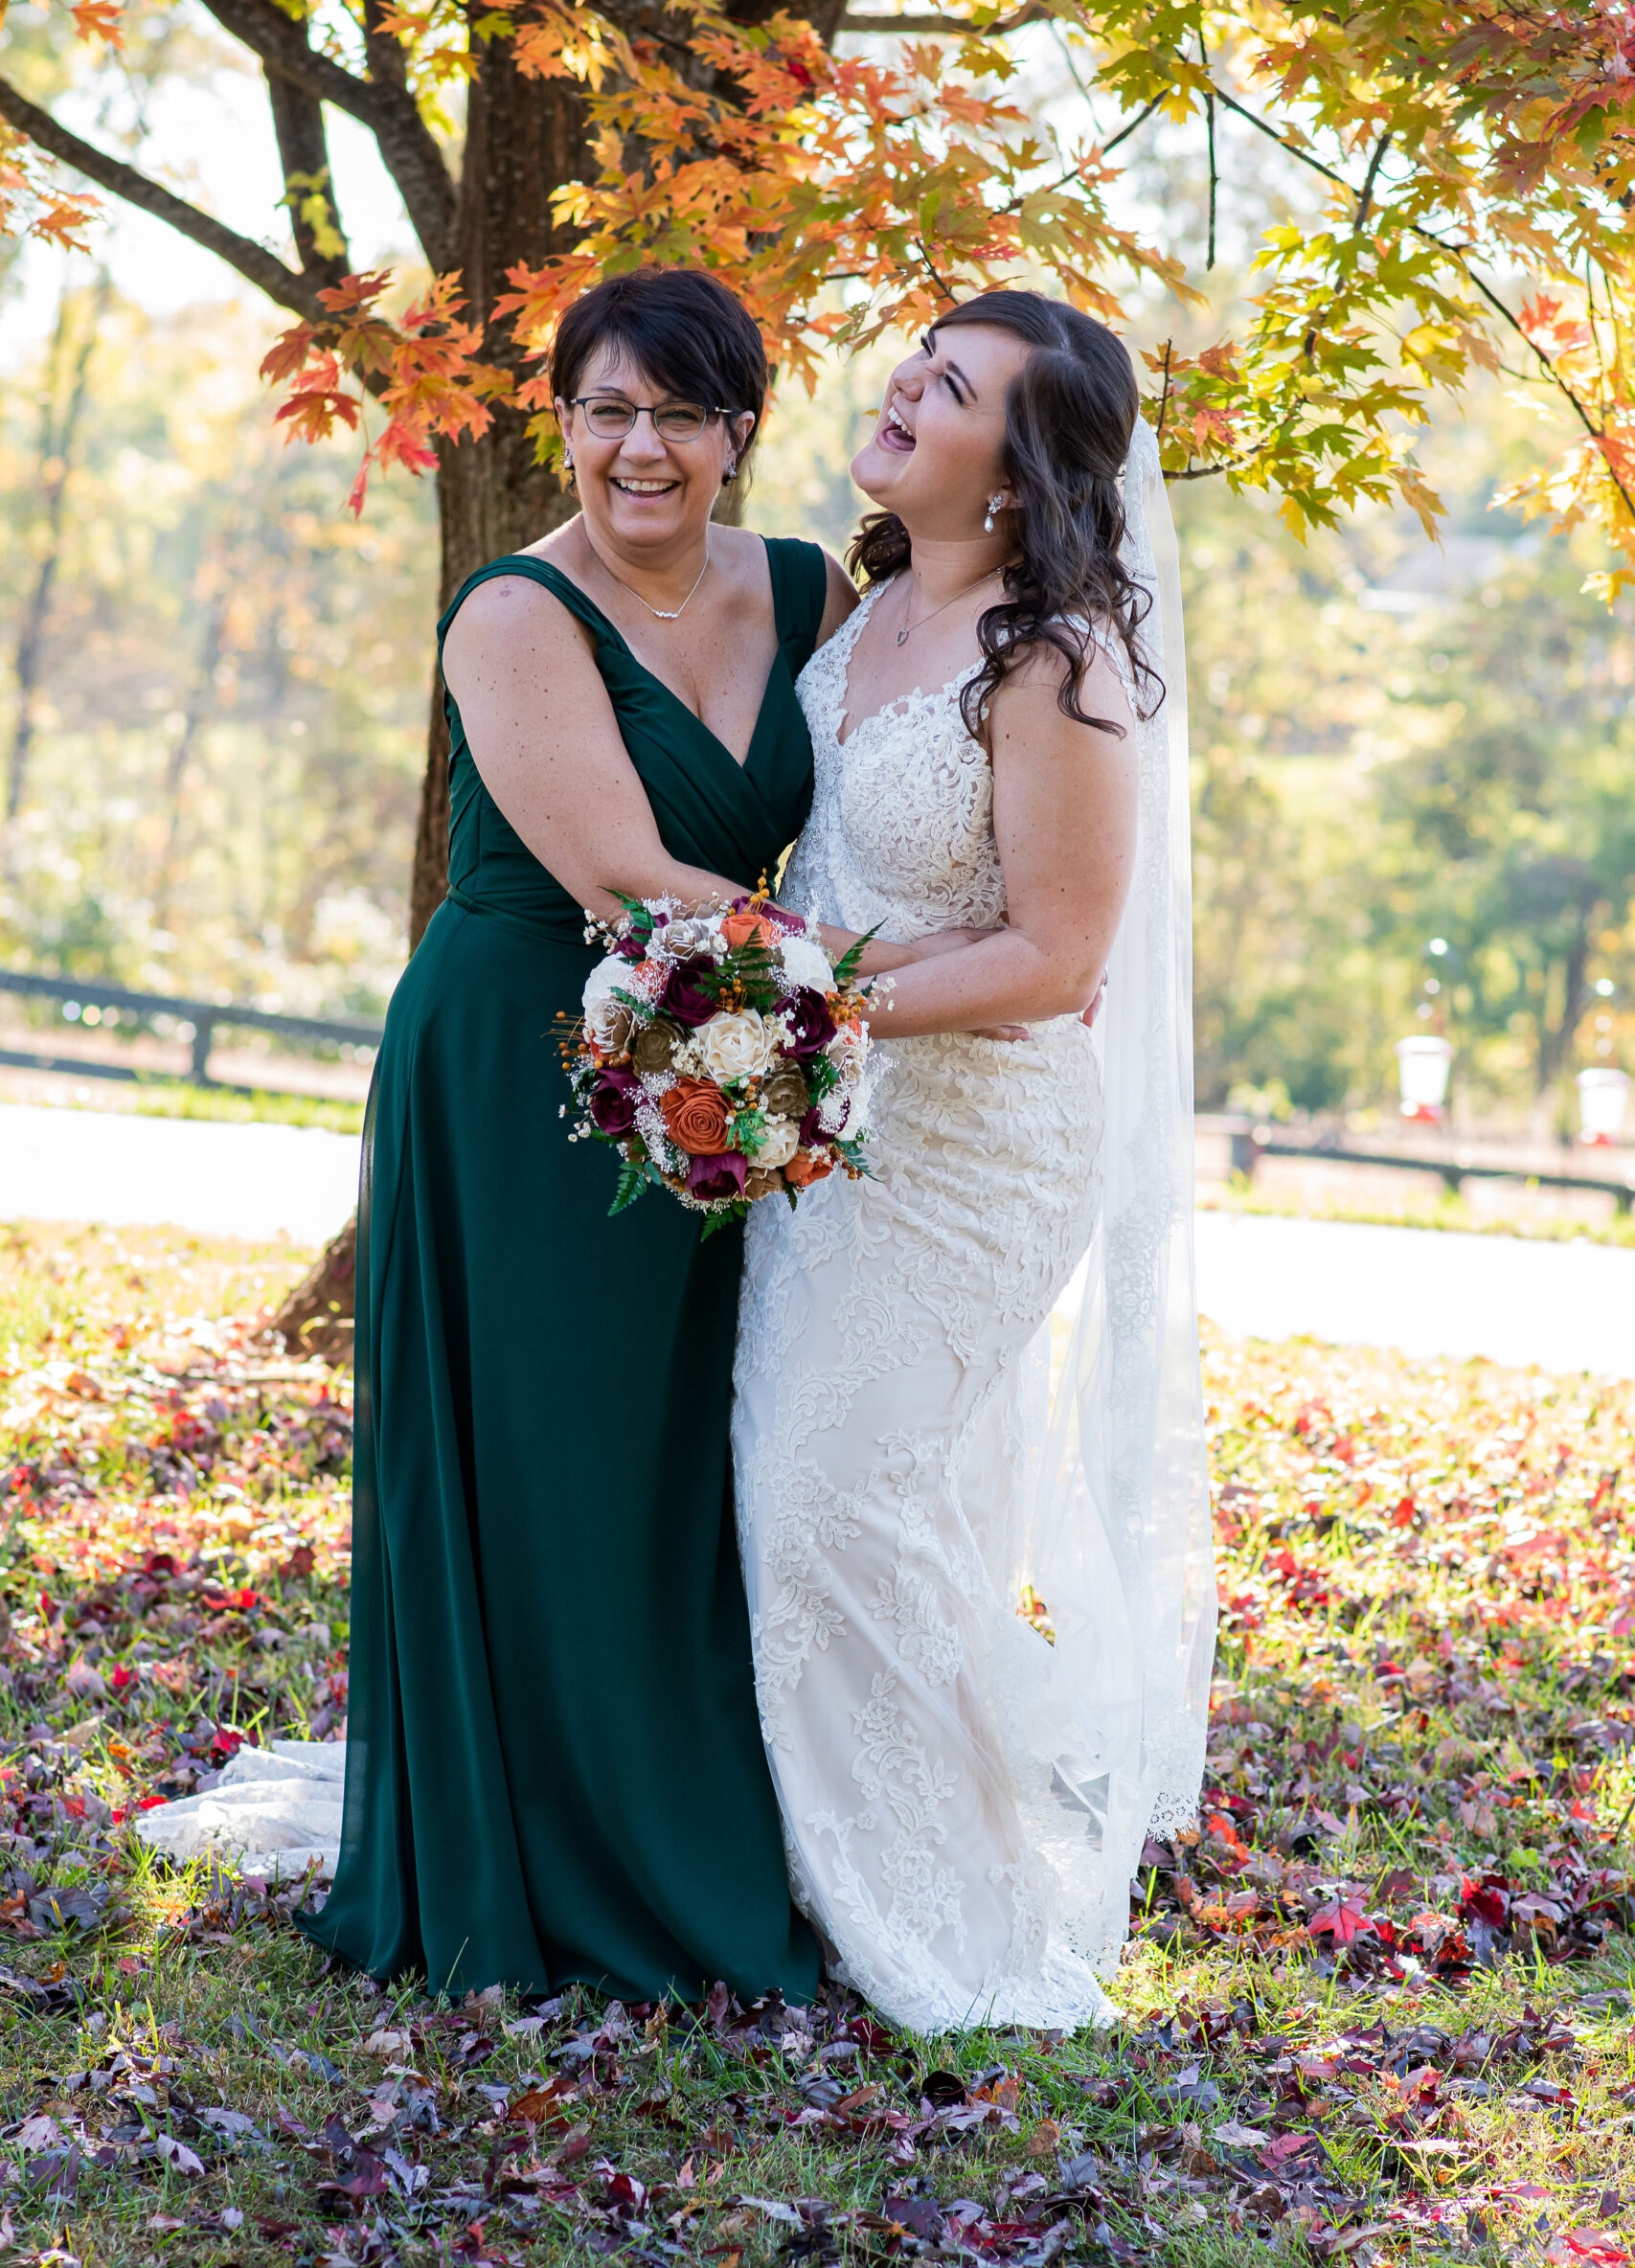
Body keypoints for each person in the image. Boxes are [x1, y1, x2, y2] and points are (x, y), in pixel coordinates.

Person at [296, 267, 859, 2003]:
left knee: (673, 1446)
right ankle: (539, 1856)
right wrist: (883, 978)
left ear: (740, 431)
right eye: (606, 410)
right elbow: (625, 878)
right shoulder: (514, 612)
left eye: (681, 413)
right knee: (546, 1446)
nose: (641, 449)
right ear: (561, 425)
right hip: (523, 1058)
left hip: (725, 1049)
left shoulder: (810, 592)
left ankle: (683, 1811)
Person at [732, 290, 1216, 2032]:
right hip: (822, 1124)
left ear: (1015, 473)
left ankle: (950, 1918)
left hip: (975, 1151)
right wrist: (772, 1017)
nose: (902, 389)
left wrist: (811, 999)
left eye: (949, 387)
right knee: (805, 1491)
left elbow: (1057, 958)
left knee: (834, 1494)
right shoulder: (857, 612)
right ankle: (793, 1862)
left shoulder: (1057, 662)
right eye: (916, 361)